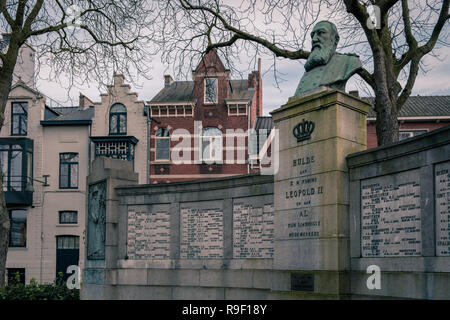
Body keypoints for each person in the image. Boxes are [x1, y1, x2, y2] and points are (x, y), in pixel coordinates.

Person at [294, 21, 362, 95]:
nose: (314, 39)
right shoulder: (308, 70)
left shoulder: (349, 61)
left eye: (321, 33)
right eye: (312, 35)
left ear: (335, 39)